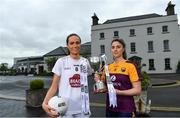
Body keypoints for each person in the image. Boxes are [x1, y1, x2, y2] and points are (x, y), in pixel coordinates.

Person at [42, 33, 92, 118]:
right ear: (67, 46)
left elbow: (88, 81)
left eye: (77, 42)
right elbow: (54, 86)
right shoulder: (61, 62)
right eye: (71, 43)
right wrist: (44, 103)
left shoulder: (85, 62)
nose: (75, 45)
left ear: (80, 44)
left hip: (83, 109)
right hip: (64, 109)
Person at [94, 39, 141, 117]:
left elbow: (137, 90)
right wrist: (98, 84)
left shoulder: (130, 66)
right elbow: (105, 88)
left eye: (118, 47)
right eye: (113, 47)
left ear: (123, 49)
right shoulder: (107, 67)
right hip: (110, 109)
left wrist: (118, 92)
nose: (115, 49)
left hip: (126, 110)